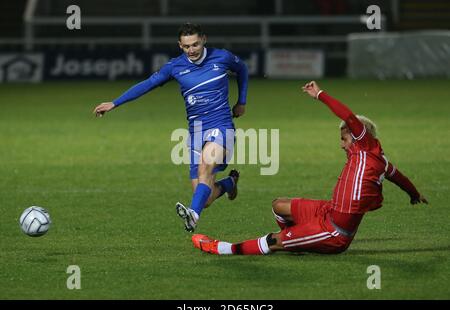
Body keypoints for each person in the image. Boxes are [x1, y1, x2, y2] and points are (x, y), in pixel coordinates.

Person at [192, 81, 428, 255]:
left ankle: (221, 248)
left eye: (344, 140)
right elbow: (400, 178)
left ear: (357, 137)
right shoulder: (378, 160)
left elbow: (348, 115)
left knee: (274, 241)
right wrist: (414, 194)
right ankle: (299, 242)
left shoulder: (366, 146)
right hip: (327, 211)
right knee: (278, 206)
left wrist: (320, 94)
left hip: (335, 232)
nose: (341, 145)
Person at [93, 23, 249, 232]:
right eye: (186, 46)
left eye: (195, 44)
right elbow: (148, 84)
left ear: (204, 39)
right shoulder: (175, 66)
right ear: (180, 45)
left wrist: (242, 101)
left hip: (221, 125)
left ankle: (192, 216)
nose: (191, 50)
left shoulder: (222, 57)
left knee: (205, 167)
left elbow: (242, 69)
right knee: (206, 197)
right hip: (196, 131)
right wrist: (115, 102)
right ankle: (229, 183)